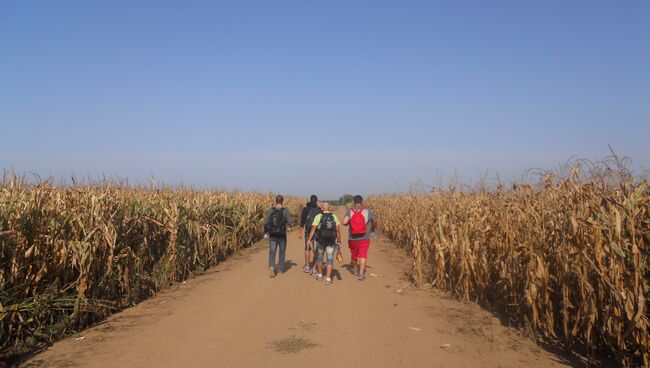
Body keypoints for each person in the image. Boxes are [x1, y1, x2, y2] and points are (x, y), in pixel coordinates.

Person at [306, 202, 341, 285]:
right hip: (331, 242)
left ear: (322, 208)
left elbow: (313, 229)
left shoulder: (318, 216)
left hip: (321, 241)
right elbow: (338, 231)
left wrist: (309, 240)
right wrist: (339, 242)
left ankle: (320, 275)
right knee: (329, 259)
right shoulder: (334, 216)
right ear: (329, 208)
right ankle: (328, 279)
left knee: (320, 258)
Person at [342, 195, 376, 281]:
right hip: (364, 237)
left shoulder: (350, 211)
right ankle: (361, 274)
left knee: (354, 255)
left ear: (354, 201)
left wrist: (350, 222)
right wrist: (372, 229)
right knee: (363, 255)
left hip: (352, 238)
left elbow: (344, 222)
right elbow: (375, 221)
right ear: (362, 201)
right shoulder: (368, 211)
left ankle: (355, 269)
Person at [264, 195, 292, 278]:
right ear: (282, 201)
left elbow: (265, 221)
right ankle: (280, 268)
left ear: (275, 201)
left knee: (272, 251)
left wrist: (267, 231)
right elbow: (289, 221)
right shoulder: (286, 210)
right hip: (282, 235)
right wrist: (289, 226)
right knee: (282, 251)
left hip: (272, 235)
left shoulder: (271, 210)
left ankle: (272, 267)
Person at [298, 195, 321, 273]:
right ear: (316, 201)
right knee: (316, 250)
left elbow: (302, 221)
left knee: (307, 248)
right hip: (317, 231)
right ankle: (315, 267)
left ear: (310, 200)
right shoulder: (319, 210)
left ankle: (307, 265)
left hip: (308, 231)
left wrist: (300, 231)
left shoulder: (305, 209)